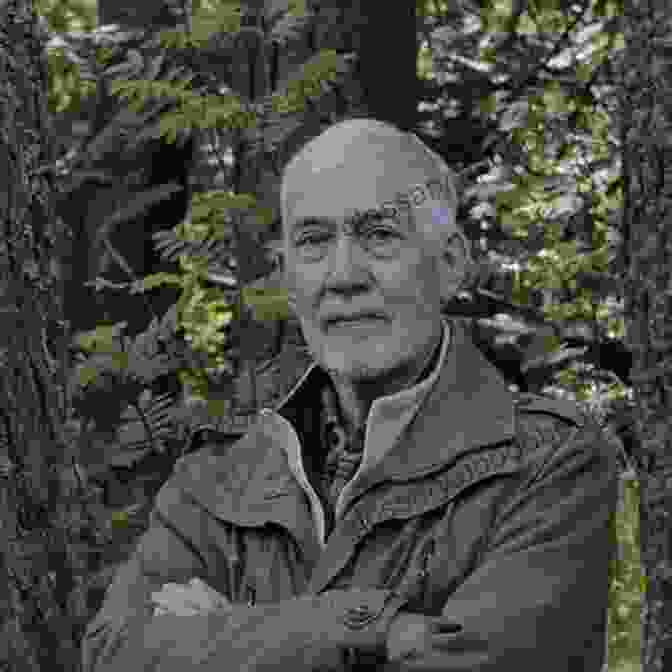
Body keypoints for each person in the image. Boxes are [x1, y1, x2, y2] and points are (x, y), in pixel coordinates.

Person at [82, 118, 618, 672]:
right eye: (314, 242)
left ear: (451, 263)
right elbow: (117, 653)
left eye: (380, 235)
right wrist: (371, 629)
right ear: (288, 276)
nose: (343, 275)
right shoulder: (218, 477)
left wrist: (223, 636)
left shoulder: (547, 467)